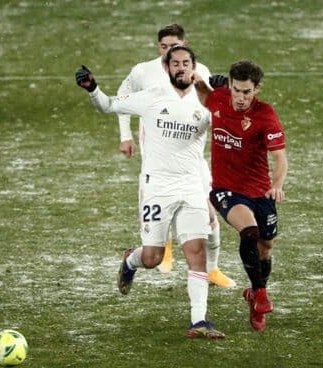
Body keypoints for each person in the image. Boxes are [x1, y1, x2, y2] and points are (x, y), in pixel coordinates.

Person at [76, 45, 225, 339]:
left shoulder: (207, 101)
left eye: (186, 63)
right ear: (167, 68)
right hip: (157, 186)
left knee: (196, 252)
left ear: (194, 68)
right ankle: (131, 260)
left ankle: (199, 321)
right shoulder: (152, 97)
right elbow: (107, 105)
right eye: (176, 64)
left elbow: (233, 123)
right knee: (153, 258)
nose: (181, 68)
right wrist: (92, 88)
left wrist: (225, 95)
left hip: (191, 185)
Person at [116, 24, 235, 288]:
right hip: (157, 164)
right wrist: (126, 135)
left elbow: (213, 107)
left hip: (192, 162)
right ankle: (156, 253)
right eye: (164, 47)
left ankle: (212, 269)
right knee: (160, 227)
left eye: (175, 46)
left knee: (209, 215)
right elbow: (122, 98)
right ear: (159, 47)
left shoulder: (198, 71)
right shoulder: (143, 72)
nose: (170, 52)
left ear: (185, 45)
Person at [194, 60, 288, 332]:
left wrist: (277, 184)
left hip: (261, 192)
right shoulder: (220, 98)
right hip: (226, 190)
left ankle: (254, 295)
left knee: (265, 247)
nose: (241, 98)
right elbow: (202, 92)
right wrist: (200, 80)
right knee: (248, 231)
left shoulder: (265, 115)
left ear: (257, 89)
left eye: (247, 92)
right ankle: (260, 293)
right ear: (231, 87)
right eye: (237, 90)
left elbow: (280, 158)